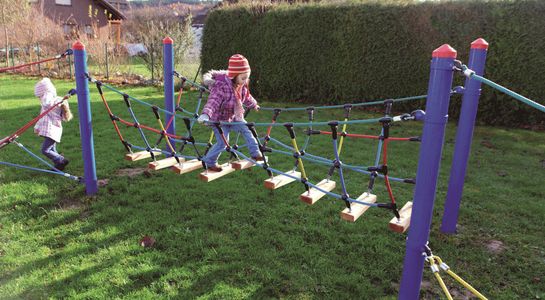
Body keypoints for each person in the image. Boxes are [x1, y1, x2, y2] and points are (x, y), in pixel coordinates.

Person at [198, 54, 263, 172]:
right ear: (234, 76)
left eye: (247, 78)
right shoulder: (221, 87)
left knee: (247, 129)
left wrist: (254, 104)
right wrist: (206, 114)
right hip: (219, 120)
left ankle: (255, 153)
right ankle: (210, 162)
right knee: (223, 143)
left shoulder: (241, 85)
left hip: (234, 117)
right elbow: (213, 102)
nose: (245, 81)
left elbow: (247, 97)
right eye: (243, 78)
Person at [34, 78, 72, 171]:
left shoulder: (51, 104)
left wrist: (47, 93)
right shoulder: (54, 103)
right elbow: (42, 117)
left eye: (40, 96)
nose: (40, 99)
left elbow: (47, 105)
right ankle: (59, 165)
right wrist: (37, 127)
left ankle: (61, 160)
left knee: (45, 150)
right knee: (52, 149)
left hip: (52, 131)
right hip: (52, 131)